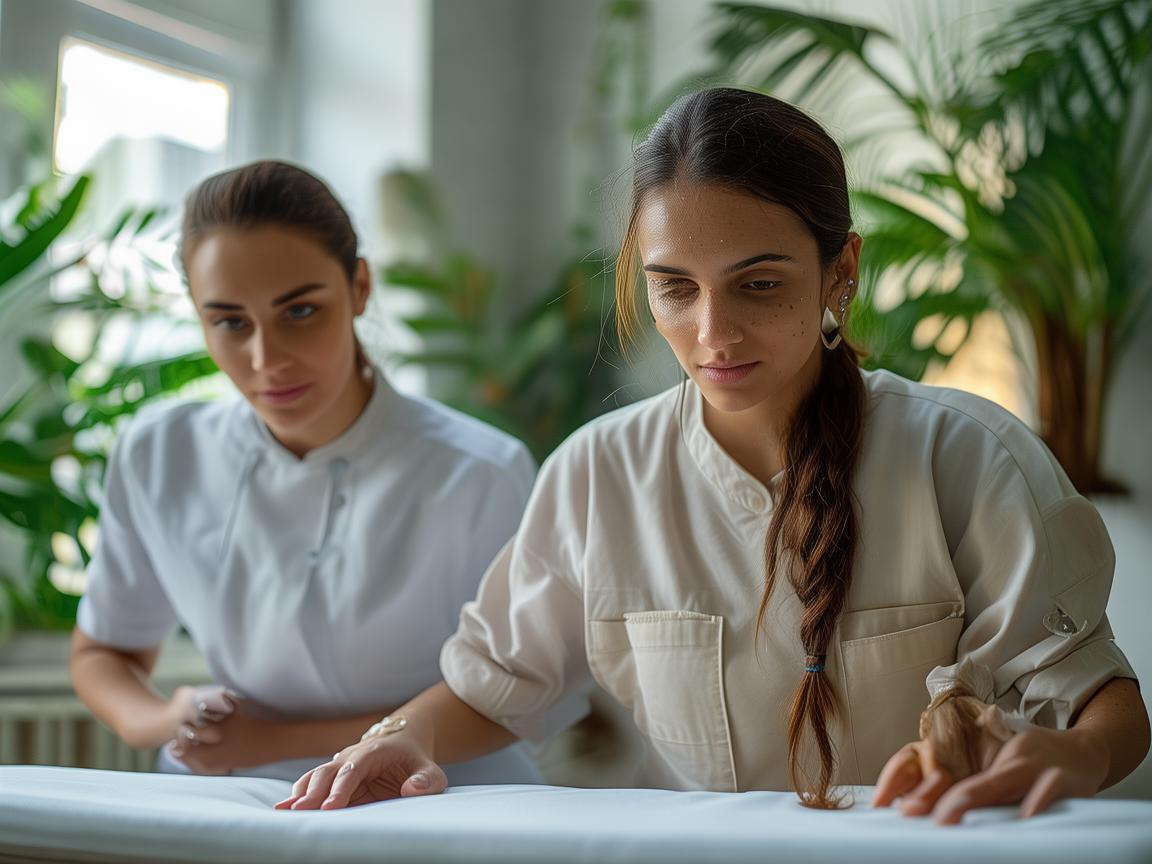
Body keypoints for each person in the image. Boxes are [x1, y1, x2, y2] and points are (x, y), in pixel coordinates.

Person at [278, 89, 1148, 822]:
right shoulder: (596, 475)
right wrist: (402, 735)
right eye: (675, 288)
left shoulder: (971, 458)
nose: (713, 333)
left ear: (840, 268)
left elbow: (1102, 702)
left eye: (759, 284)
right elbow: (498, 683)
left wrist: (1073, 757)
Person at [69, 160, 543, 785]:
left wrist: (275, 740)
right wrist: (168, 719)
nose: (266, 359)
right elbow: (104, 652)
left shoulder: (479, 471)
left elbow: (519, 696)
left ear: (359, 288)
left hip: (438, 791)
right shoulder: (159, 453)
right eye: (231, 322)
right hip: (225, 789)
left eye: (299, 312)